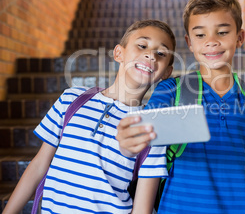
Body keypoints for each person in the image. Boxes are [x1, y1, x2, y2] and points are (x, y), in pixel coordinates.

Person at [117, 0, 245, 214]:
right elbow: (148, 157)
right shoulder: (170, 91)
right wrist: (129, 143)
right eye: (200, 35)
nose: (212, 42)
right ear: (189, 42)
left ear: (240, 37)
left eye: (223, 32)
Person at [3, 19, 176, 213]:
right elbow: (38, 165)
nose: (151, 55)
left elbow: (142, 209)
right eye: (142, 45)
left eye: (161, 53)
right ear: (119, 53)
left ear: (166, 72)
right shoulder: (72, 99)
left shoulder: (152, 128)